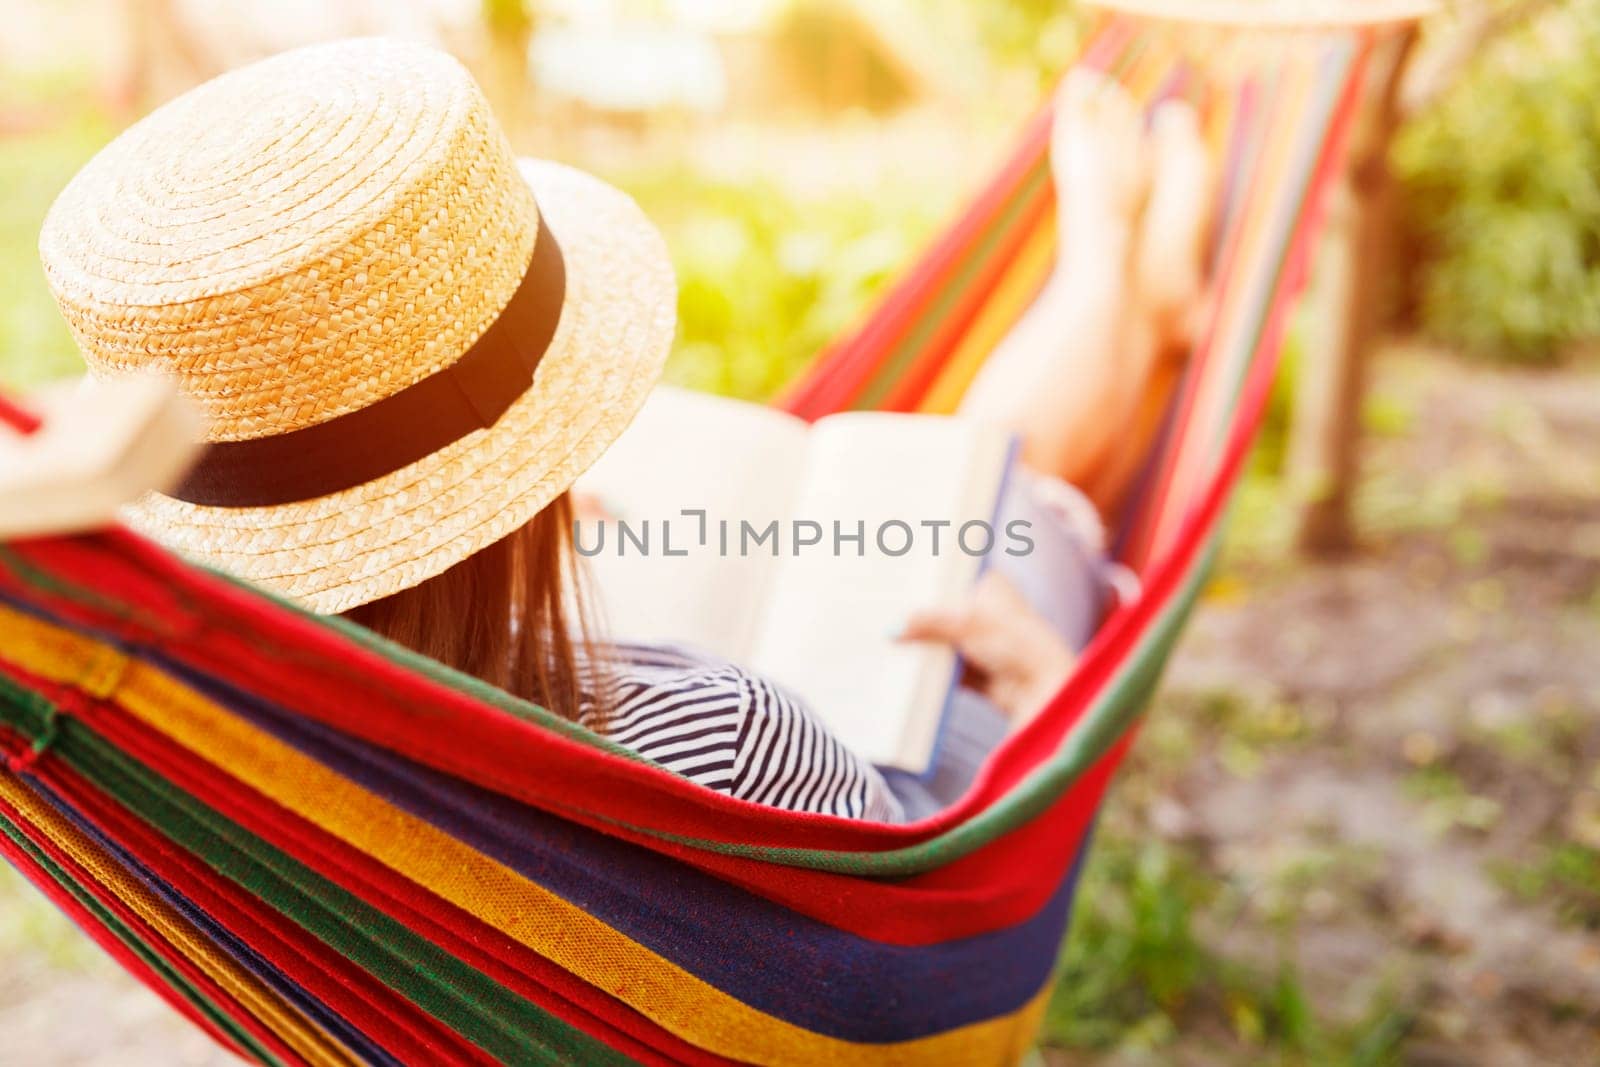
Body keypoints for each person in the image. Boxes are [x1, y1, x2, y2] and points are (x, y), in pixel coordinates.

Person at [40, 40, 1209, 823]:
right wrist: (1058, 707)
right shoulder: (717, 732)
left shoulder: (194, 773)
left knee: (958, 486)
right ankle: (1125, 281)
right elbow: (928, 887)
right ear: (526, 482)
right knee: (982, 503)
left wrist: (486, 547)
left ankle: (1130, 293)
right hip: (938, 758)